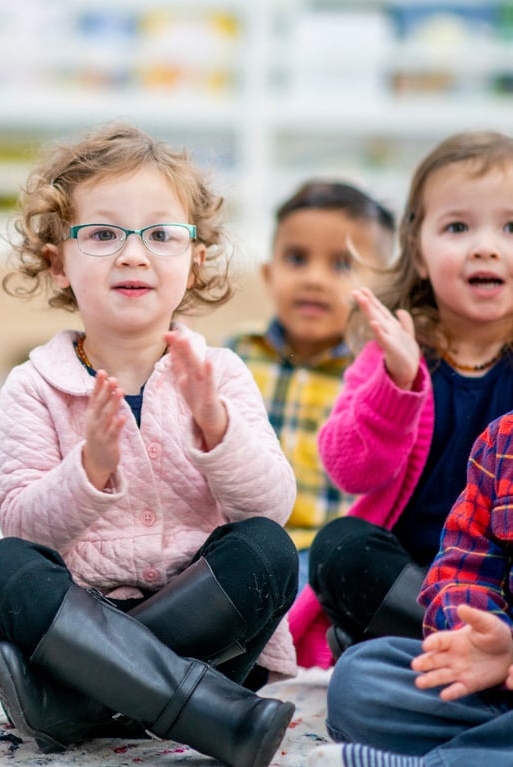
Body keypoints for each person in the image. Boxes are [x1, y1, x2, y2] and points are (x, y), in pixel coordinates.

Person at [0, 123, 299, 767]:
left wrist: (214, 426)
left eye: (160, 235)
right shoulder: (33, 384)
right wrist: (88, 469)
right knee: (1, 570)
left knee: (268, 548)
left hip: (212, 634)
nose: (133, 254)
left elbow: (271, 505)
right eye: (102, 234)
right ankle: (205, 712)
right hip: (78, 623)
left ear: (195, 259)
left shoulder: (221, 375)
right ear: (56, 261)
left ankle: (74, 707)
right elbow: (25, 524)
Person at [289, 131, 513, 669]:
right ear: (417, 250)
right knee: (340, 547)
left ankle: (450, 653)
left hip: (500, 580)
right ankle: (456, 651)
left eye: (510, 227)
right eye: (457, 227)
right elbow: (349, 471)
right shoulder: (390, 354)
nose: (485, 245)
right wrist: (397, 381)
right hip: (406, 576)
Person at [308, 411, 513, 767]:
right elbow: (463, 567)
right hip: (499, 680)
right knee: (358, 679)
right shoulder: (503, 439)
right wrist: (476, 639)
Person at [225, 180, 396, 592]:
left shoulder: (379, 375)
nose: (314, 279)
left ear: (384, 288)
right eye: (296, 258)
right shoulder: (237, 356)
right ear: (269, 273)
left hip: (330, 558)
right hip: (243, 545)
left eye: (341, 265)